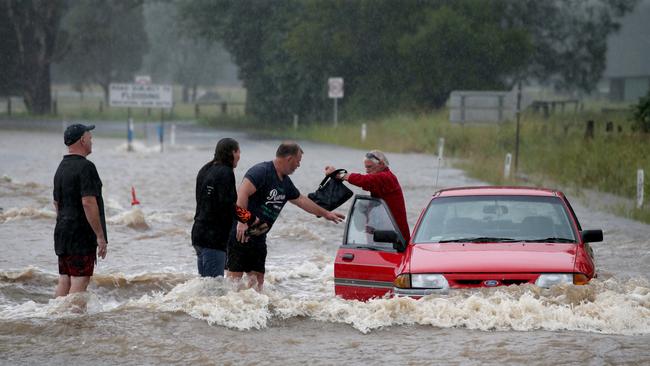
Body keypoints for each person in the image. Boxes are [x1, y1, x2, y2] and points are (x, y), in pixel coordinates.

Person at [227, 141, 345, 291]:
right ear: (289, 159)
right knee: (233, 283)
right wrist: (242, 222)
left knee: (257, 284)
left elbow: (302, 200)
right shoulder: (261, 171)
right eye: (298, 161)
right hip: (241, 233)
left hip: (259, 235)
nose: (298, 165)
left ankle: (252, 310)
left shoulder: (286, 183)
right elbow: (242, 193)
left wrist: (326, 213)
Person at [191, 138, 263, 277]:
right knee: (215, 288)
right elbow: (228, 205)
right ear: (232, 152)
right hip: (214, 239)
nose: (239, 156)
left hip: (198, 234)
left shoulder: (205, 169)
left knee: (205, 285)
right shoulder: (226, 172)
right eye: (238, 151)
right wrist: (251, 218)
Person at [53, 123, 107, 297]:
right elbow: (88, 202)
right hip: (81, 235)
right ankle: (73, 322)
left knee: (65, 278)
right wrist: (99, 236)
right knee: (80, 279)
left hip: (62, 232)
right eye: (90, 138)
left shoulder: (61, 167)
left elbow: (56, 203)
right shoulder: (86, 167)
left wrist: (65, 224)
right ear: (82, 140)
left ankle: (56, 317)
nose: (92, 141)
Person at [325, 149, 410, 243]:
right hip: (385, 232)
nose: (367, 171)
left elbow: (364, 181)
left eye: (369, 167)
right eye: (366, 167)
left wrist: (337, 174)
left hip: (398, 238)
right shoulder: (379, 179)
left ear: (381, 164)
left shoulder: (387, 177)